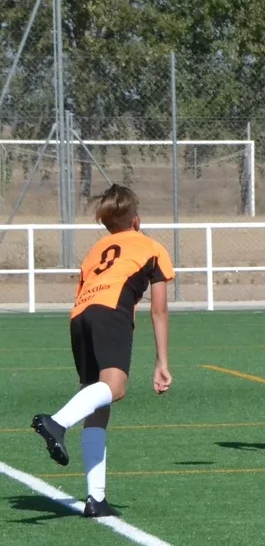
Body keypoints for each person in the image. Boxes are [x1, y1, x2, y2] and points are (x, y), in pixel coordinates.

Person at [31, 184, 174, 517]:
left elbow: (84, 290)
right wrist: (162, 361)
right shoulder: (152, 248)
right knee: (115, 388)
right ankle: (57, 423)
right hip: (111, 314)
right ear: (136, 219)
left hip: (80, 316)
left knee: (97, 404)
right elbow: (160, 310)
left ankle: (96, 499)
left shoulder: (96, 250)